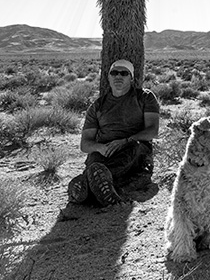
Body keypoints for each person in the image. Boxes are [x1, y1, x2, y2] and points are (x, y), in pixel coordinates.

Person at [66, 59, 161, 206]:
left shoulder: (144, 97)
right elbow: (85, 144)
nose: (118, 76)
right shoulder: (97, 106)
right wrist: (100, 148)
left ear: (132, 78)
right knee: (95, 160)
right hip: (105, 151)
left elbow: (152, 131)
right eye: (114, 73)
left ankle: (87, 186)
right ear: (108, 77)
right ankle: (99, 184)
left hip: (132, 146)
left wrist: (125, 141)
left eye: (124, 73)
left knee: (135, 148)